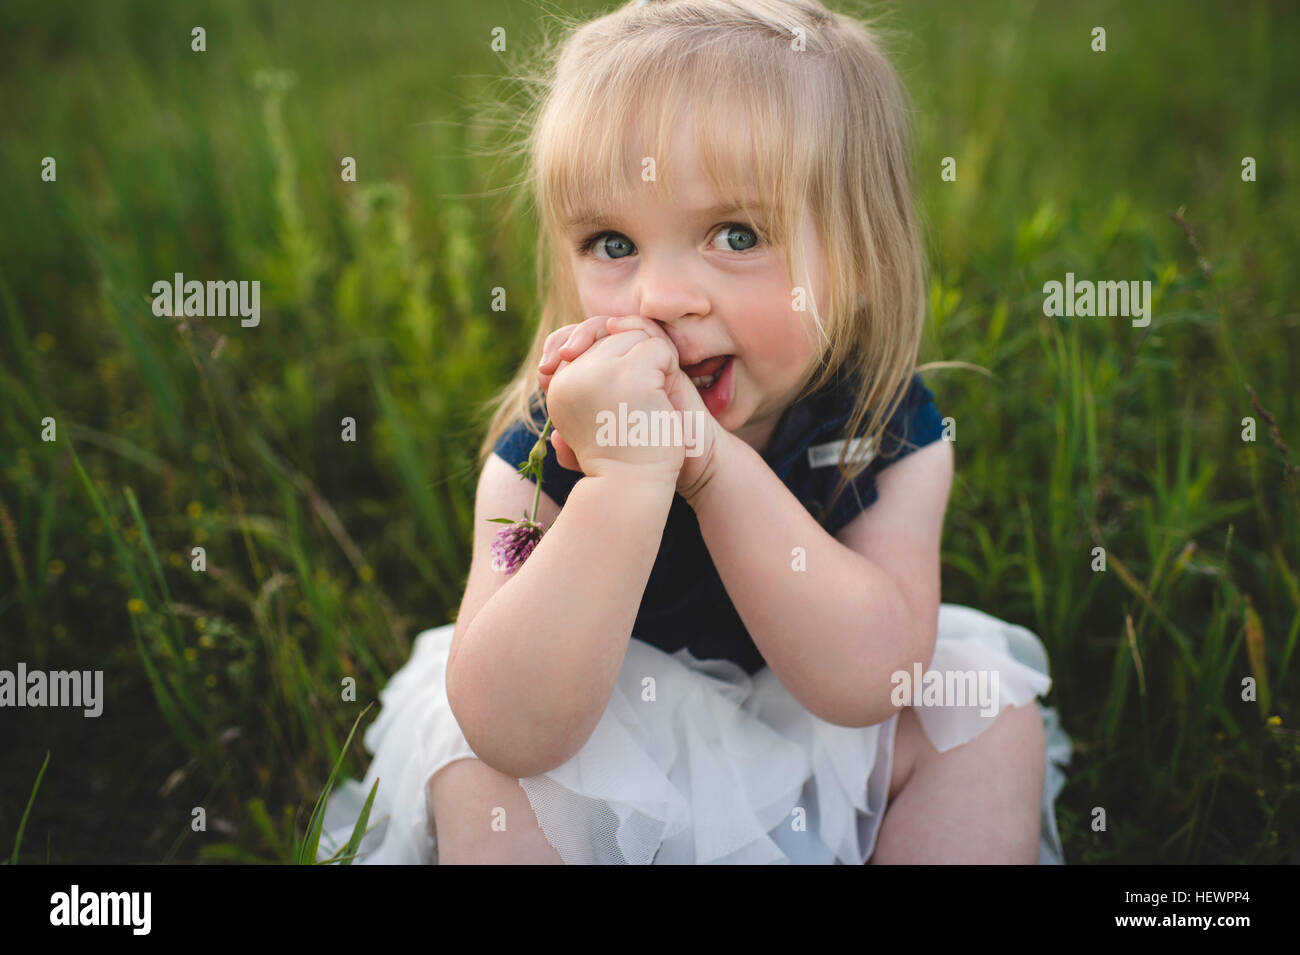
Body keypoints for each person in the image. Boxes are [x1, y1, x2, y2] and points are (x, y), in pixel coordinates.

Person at [319, 0, 1071, 864]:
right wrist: (618, 487)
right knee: (475, 778)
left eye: (736, 235)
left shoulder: (883, 433)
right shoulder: (541, 454)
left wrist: (714, 473)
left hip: (809, 730)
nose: (658, 297)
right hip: (600, 748)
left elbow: (875, 681)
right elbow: (509, 728)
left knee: (987, 724)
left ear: (860, 263)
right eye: (611, 242)